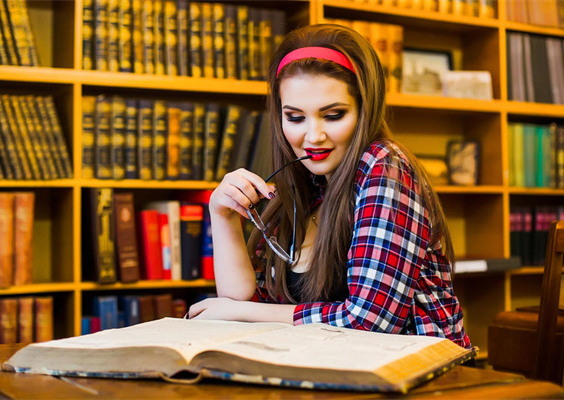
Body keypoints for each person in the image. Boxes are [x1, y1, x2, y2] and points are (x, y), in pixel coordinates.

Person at [188, 24, 471, 349]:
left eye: (333, 115)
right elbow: (241, 299)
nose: (313, 136)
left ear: (364, 110)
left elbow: (369, 321)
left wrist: (244, 313)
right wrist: (222, 215)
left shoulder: (384, 165)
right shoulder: (303, 186)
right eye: (295, 118)